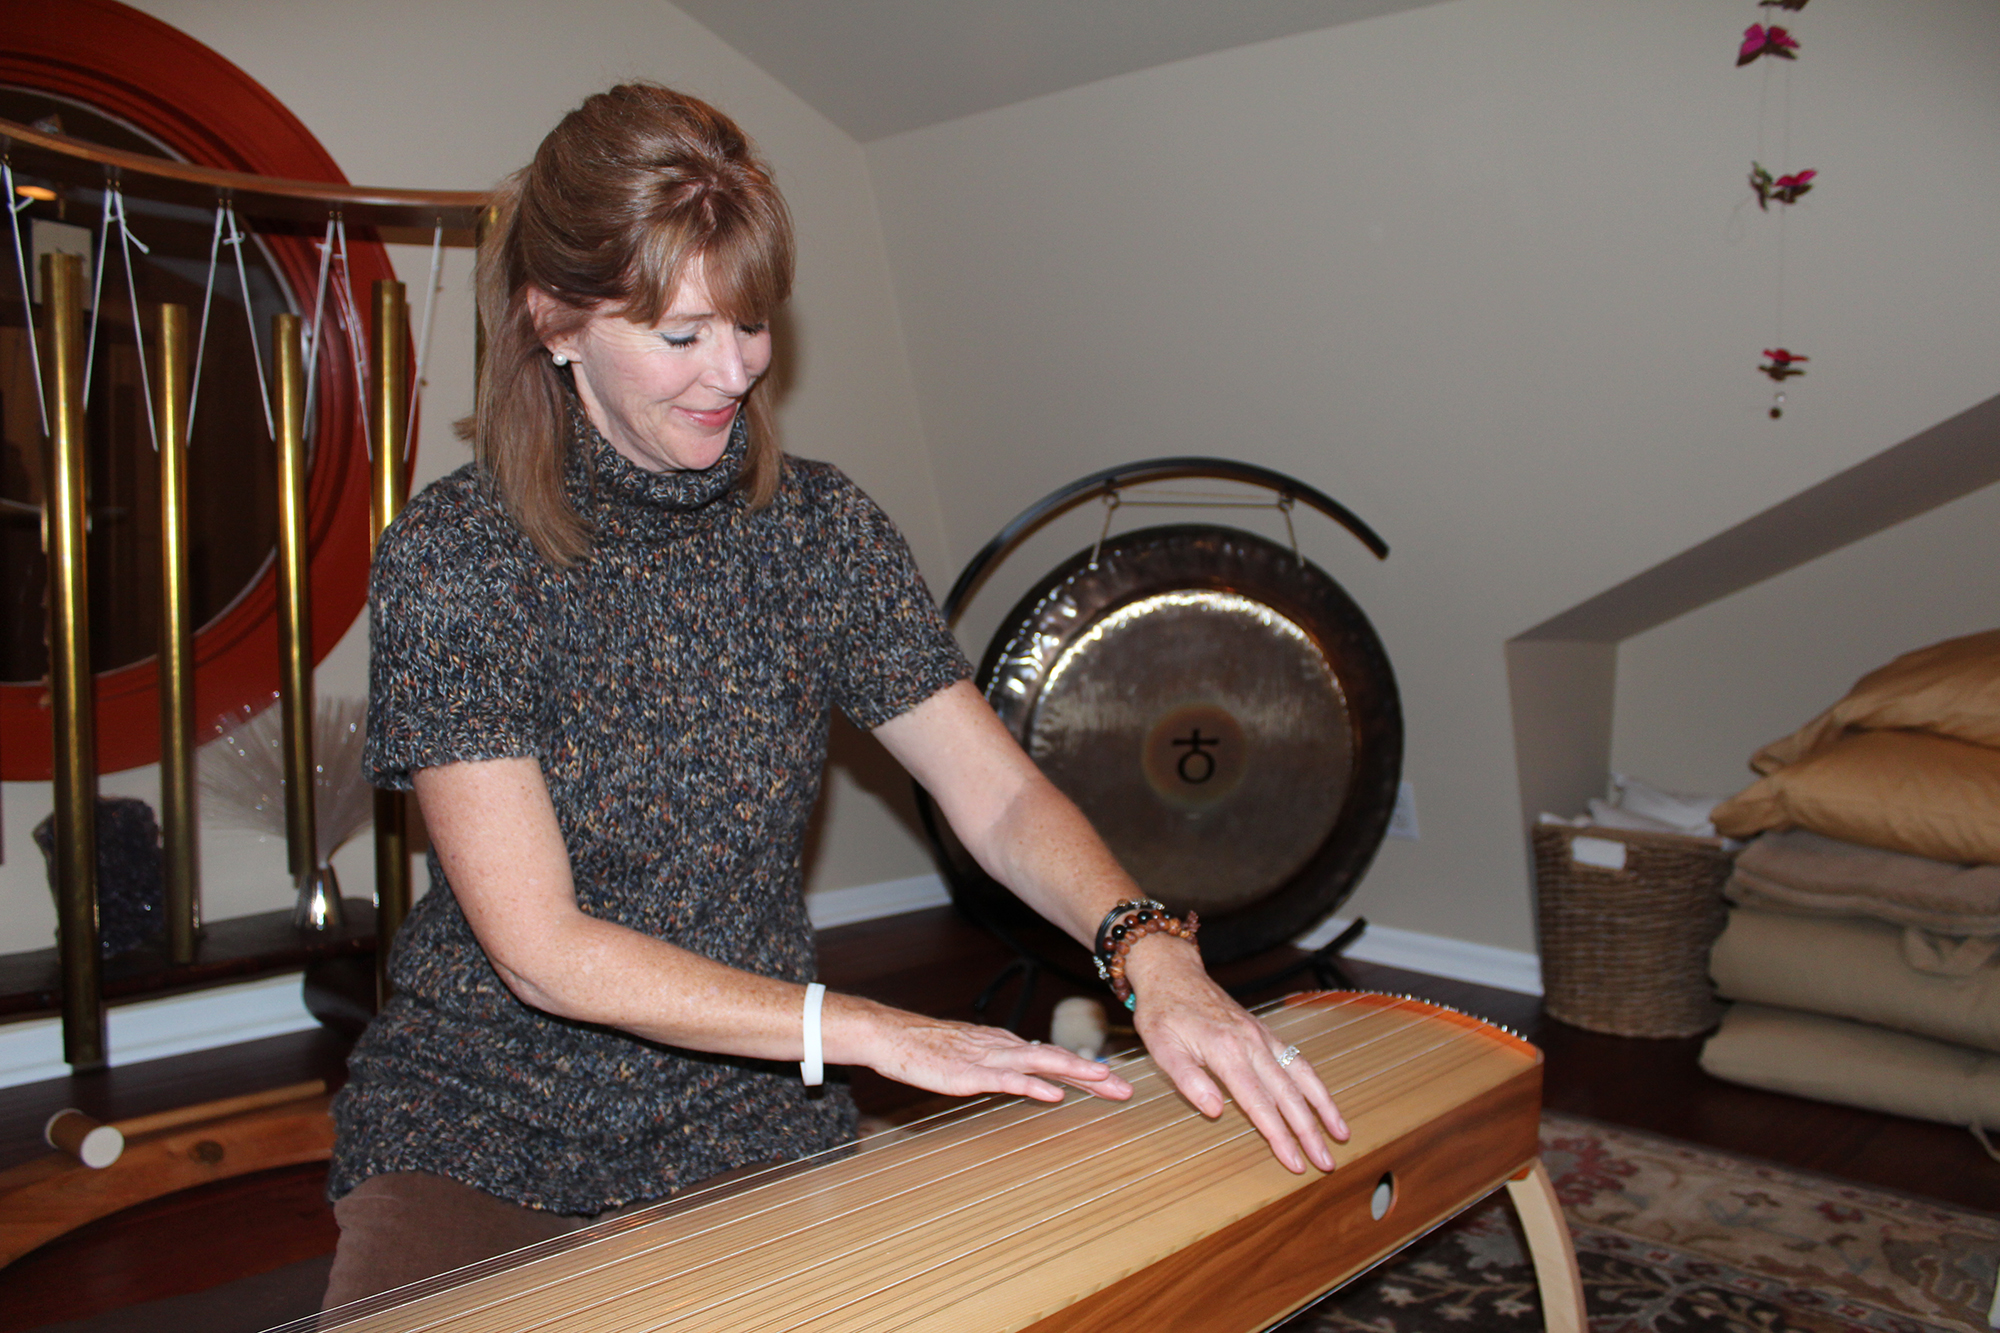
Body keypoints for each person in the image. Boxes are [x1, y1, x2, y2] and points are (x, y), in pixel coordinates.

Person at [324, 82, 1347, 1309]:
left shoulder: (820, 533)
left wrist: (1149, 955)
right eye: (682, 335)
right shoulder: (455, 558)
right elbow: (544, 950)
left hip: (746, 1107)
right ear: (553, 318)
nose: (734, 370)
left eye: (751, 322)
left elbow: (998, 798)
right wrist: (871, 1031)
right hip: (481, 1122)